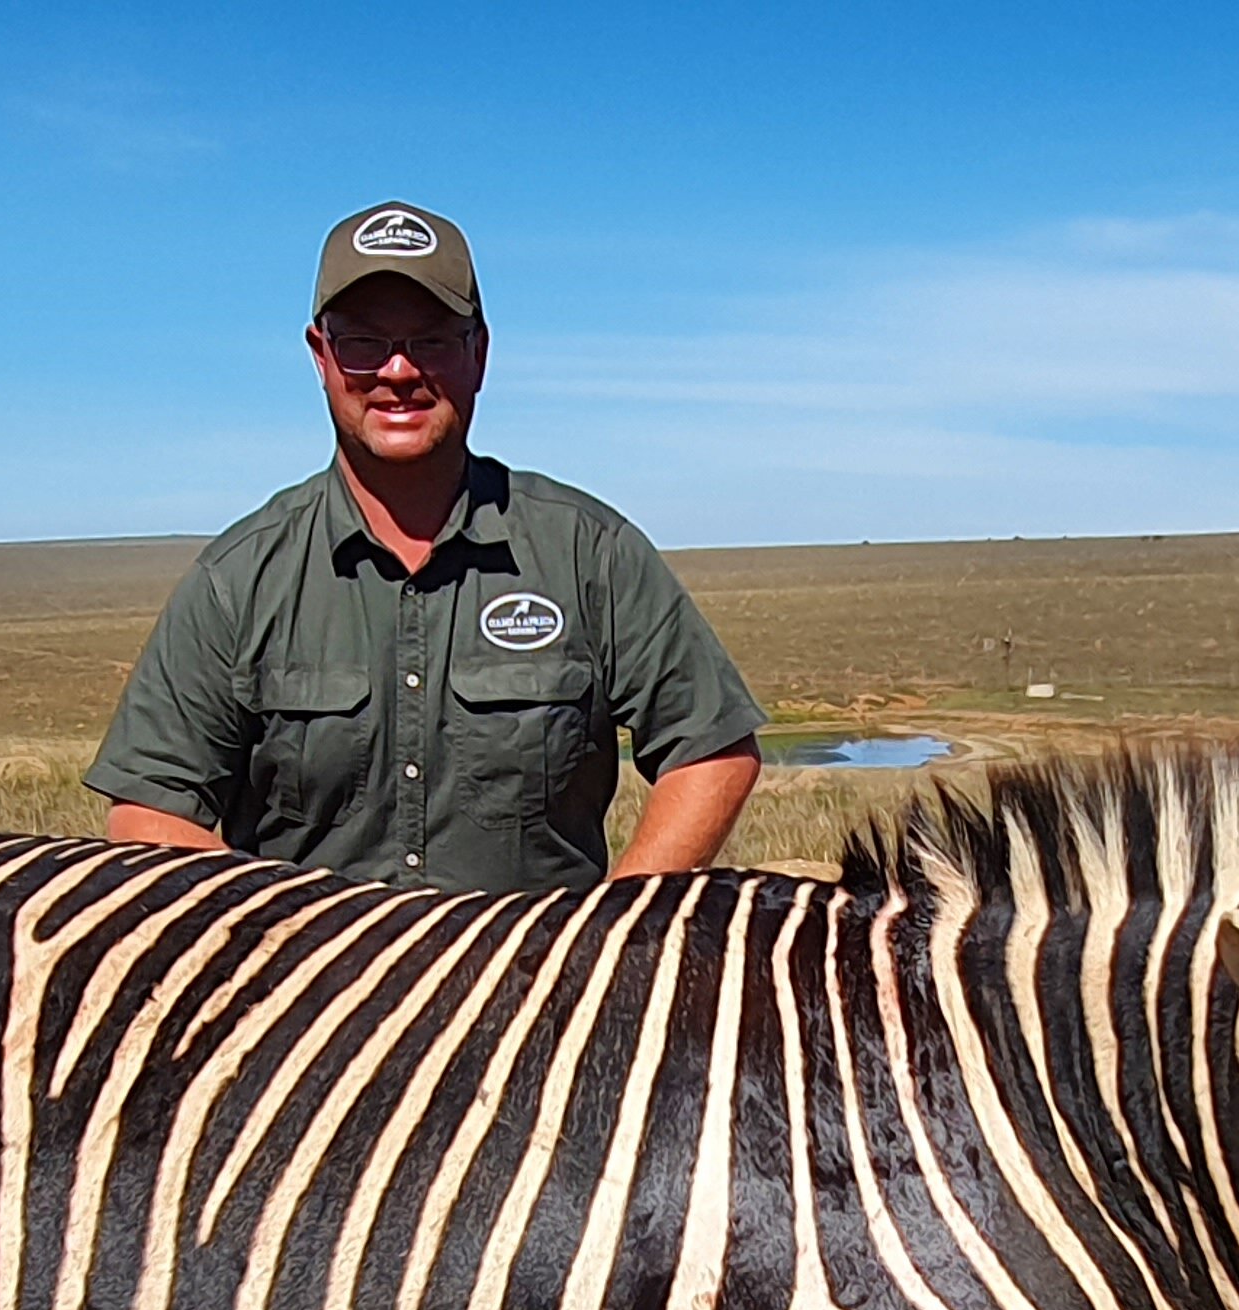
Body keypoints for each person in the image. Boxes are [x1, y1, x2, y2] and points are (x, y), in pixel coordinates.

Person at [87, 201, 764, 891]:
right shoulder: (240, 578)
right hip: (310, 992)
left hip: (538, 991)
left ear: (480, 353)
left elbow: (712, 750)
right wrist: (285, 941)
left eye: (432, 340)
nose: (399, 371)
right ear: (320, 356)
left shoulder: (590, 552)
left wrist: (605, 939)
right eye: (363, 344)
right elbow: (147, 808)